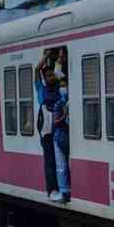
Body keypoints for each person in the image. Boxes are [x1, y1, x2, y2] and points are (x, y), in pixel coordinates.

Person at [37, 70, 60, 200]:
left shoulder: (57, 88)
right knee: (50, 161)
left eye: (53, 75)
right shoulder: (42, 90)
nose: (52, 77)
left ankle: (59, 187)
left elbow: (60, 75)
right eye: (49, 76)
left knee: (59, 161)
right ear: (44, 78)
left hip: (59, 130)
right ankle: (51, 189)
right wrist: (45, 57)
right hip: (47, 132)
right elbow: (36, 71)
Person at [50, 74, 71, 203]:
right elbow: (56, 121)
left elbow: (56, 121)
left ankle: (65, 191)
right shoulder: (61, 103)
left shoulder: (62, 102)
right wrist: (65, 116)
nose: (63, 88)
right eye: (61, 86)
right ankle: (64, 191)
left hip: (62, 136)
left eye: (65, 85)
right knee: (63, 165)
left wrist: (63, 116)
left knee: (63, 165)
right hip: (62, 135)